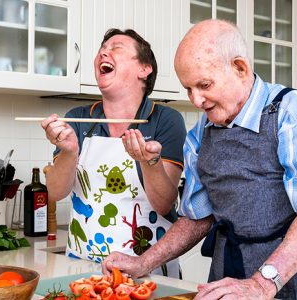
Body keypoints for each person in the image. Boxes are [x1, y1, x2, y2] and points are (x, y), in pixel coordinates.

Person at [102, 19, 297, 299]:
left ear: (240, 68)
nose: (196, 100)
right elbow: (197, 217)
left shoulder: (294, 112)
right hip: (231, 275)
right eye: (188, 89)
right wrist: (144, 262)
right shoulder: (199, 135)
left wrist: (260, 284)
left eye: (204, 85)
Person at [41, 28, 187, 278]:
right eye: (101, 49)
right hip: (84, 268)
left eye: (116, 48)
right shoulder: (77, 118)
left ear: (144, 69)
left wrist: (149, 162)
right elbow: (55, 192)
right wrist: (69, 152)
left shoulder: (165, 119)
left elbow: (164, 203)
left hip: (148, 271)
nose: (103, 53)